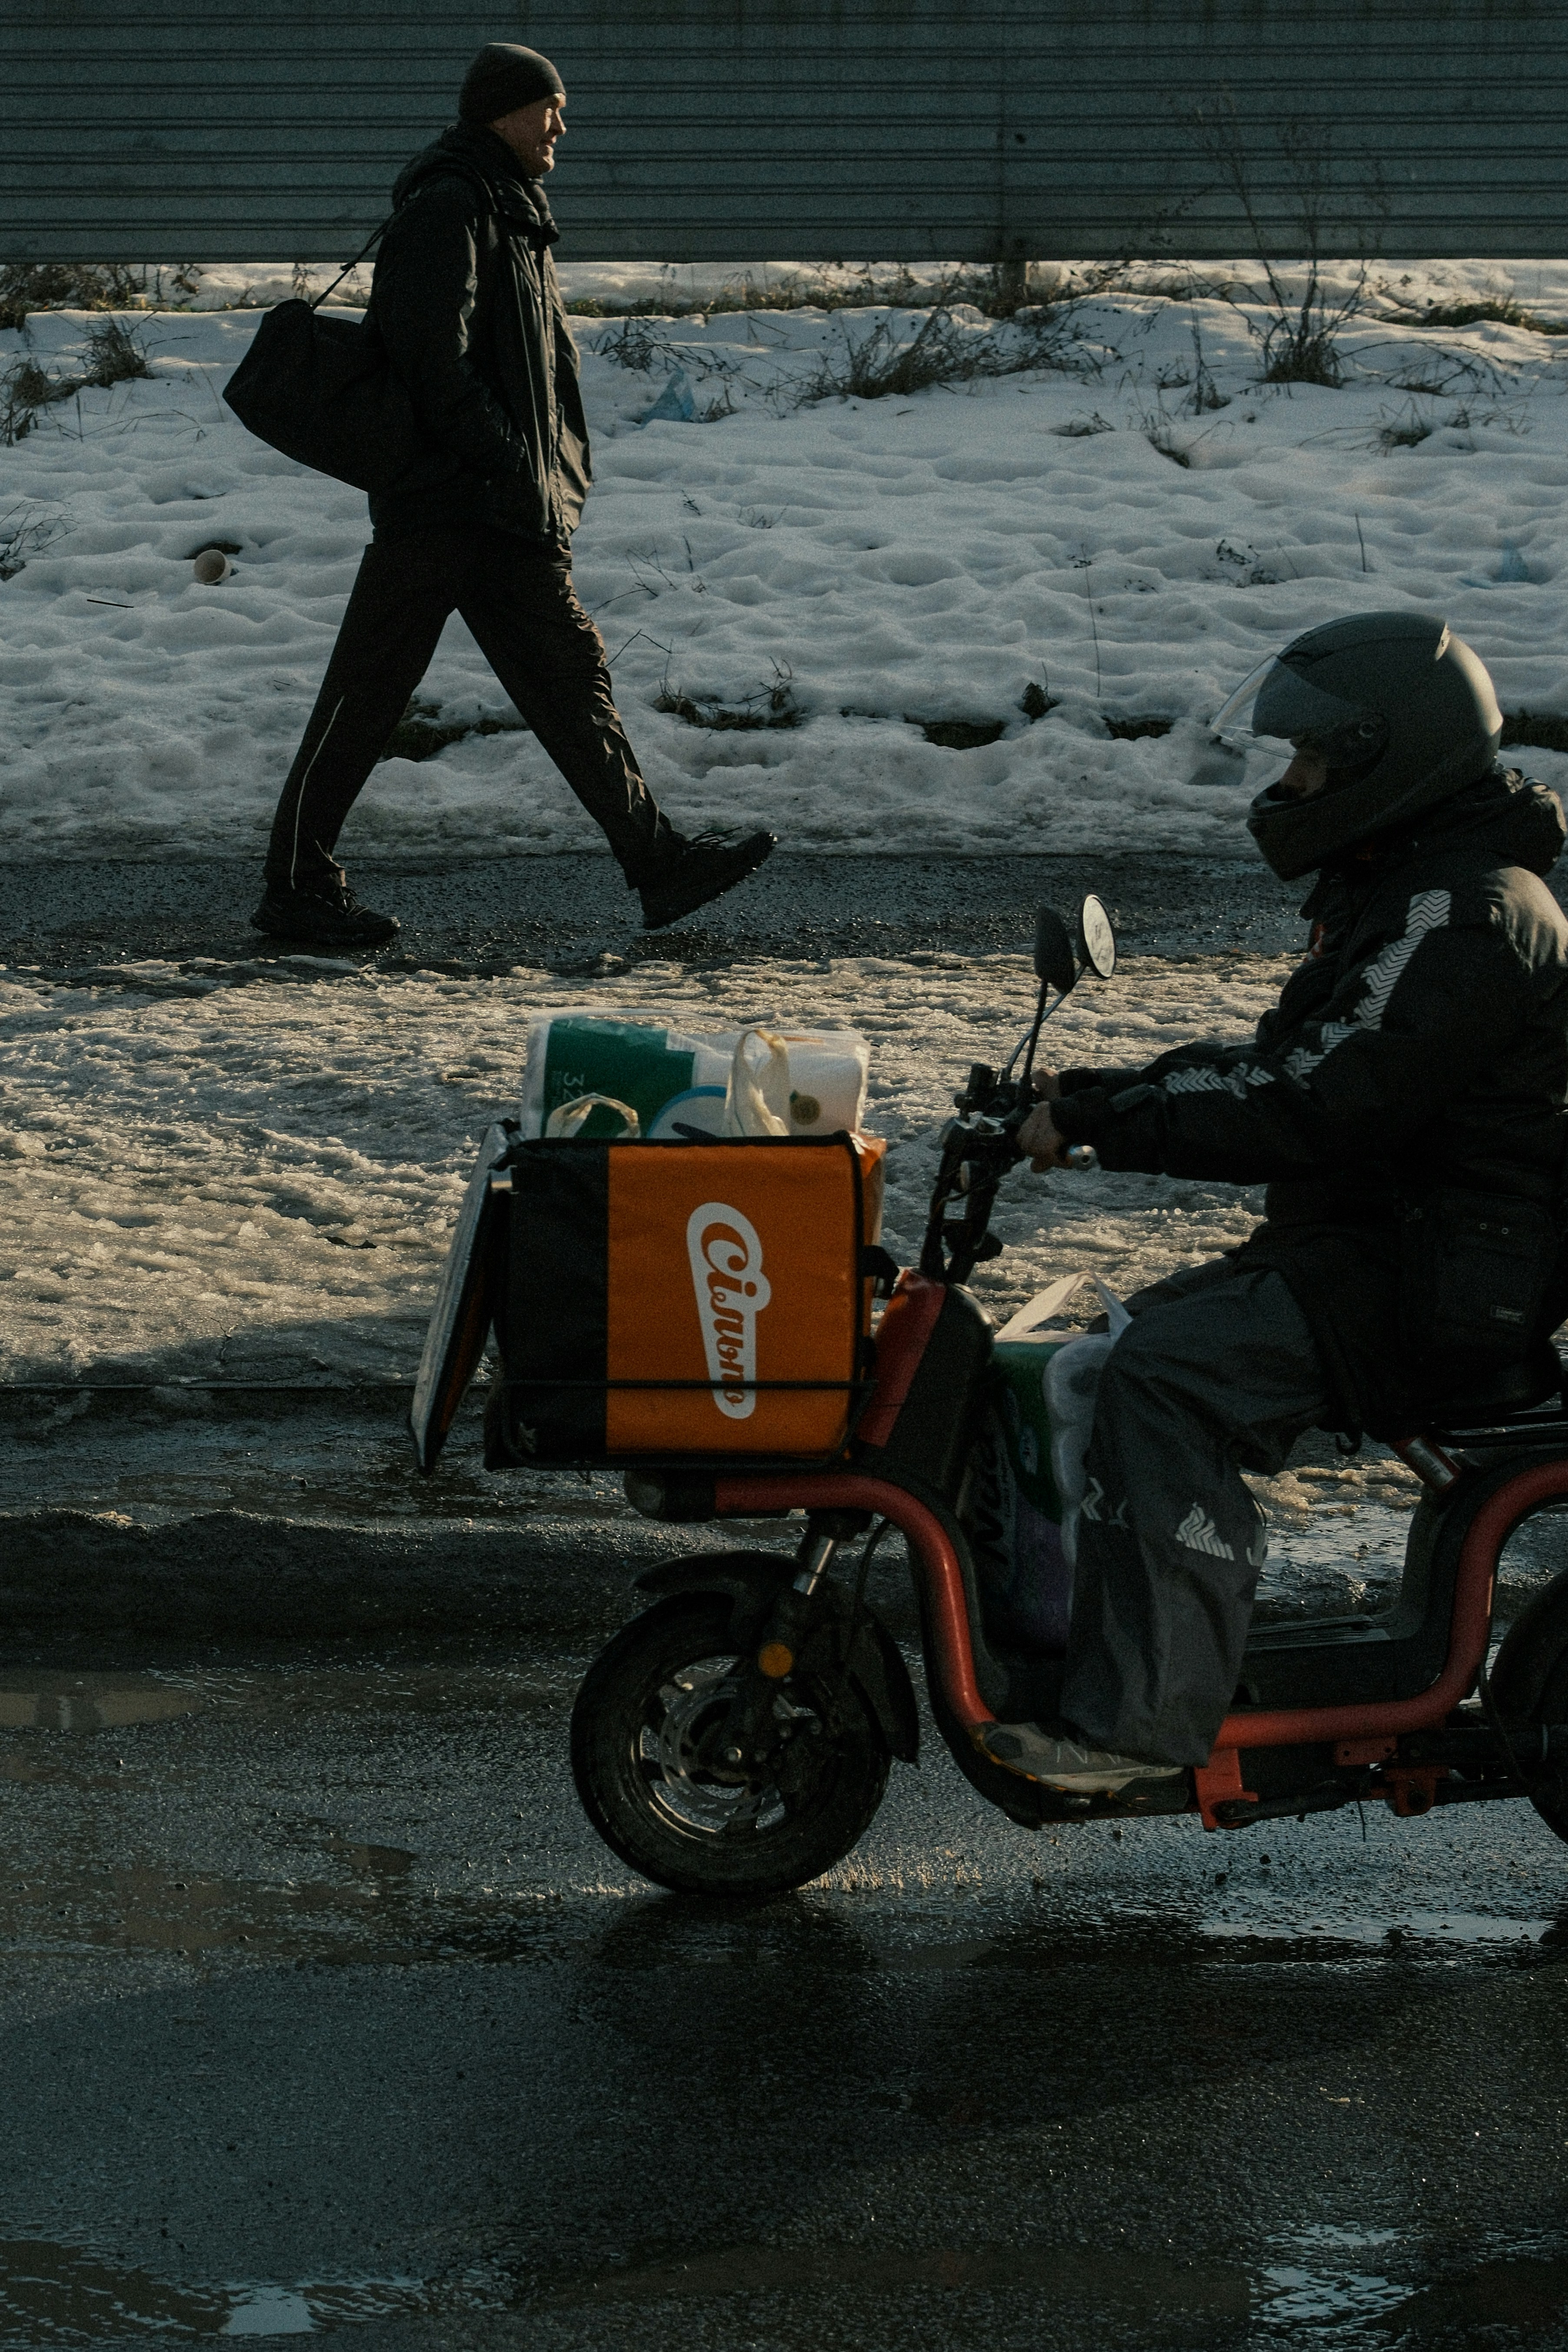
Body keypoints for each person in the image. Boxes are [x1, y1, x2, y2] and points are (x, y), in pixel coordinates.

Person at [978, 611, 1568, 1796]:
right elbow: (1284, 1071)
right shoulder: (1411, 891)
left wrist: (1105, 1118)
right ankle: (1142, 1653)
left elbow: (1309, 1101)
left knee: (1164, 1377)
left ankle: (1143, 1720)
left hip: (1432, 1284)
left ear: (1381, 758)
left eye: (1306, 761)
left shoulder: (1458, 918)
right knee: (1107, 1350)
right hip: (1385, 1252)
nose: (1285, 783)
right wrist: (1090, 1095)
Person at [252, 40, 775, 950]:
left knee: (570, 683)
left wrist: (537, 474)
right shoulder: (451, 204)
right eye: (549, 110)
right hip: (446, 503)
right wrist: (500, 456)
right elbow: (429, 354)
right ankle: (296, 885)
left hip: (498, 510)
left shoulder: (507, 206)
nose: (560, 127)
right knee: (367, 694)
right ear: (503, 111)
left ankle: (658, 866)